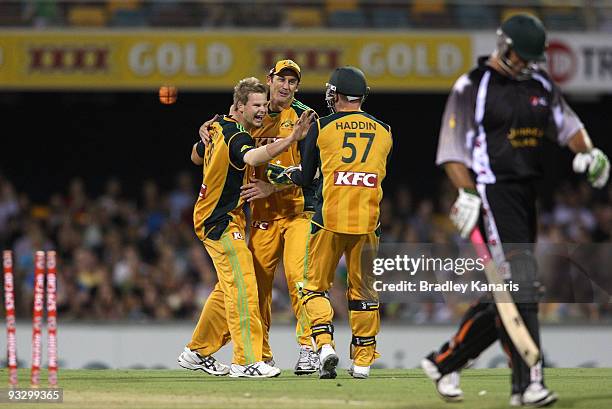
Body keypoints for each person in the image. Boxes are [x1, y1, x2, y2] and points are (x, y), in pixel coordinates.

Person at [421, 13, 609, 406]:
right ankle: (528, 385)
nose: (526, 63)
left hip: (526, 196)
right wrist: (468, 194)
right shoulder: (472, 85)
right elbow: (452, 150)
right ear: (504, 46)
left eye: (530, 57)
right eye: (521, 56)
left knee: (505, 292)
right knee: (522, 284)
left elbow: (569, 126)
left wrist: (588, 154)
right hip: (491, 193)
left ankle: (445, 361)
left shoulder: (540, 84)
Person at [177, 77, 315, 378]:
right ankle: (247, 361)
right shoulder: (237, 136)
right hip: (221, 221)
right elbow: (252, 156)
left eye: (265, 105)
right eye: (256, 105)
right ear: (238, 107)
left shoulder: (217, 127)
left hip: (224, 217)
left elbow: (195, 155)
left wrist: (204, 132)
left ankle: (197, 352)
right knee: (244, 289)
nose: (263, 111)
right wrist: (291, 140)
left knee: (229, 286)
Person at [286, 66, 393, 379]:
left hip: (329, 219)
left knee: (313, 288)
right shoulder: (385, 130)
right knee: (364, 294)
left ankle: (324, 345)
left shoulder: (322, 126)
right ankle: (362, 361)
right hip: (369, 221)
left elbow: (306, 178)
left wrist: (288, 173)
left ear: (335, 94)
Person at [237, 59, 321, 374]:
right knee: (257, 287)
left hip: (296, 211)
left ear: (297, 87)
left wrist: (271, 188)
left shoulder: (305, 118)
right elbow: (220, 139)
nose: (286, 86)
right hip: (261, 217)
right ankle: (262, 353)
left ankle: (308, 348)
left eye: (292, 82)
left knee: (300, 280)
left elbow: (314, 172)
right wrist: (204, 129)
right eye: (281, 80)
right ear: (269, 80)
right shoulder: (252, 114)